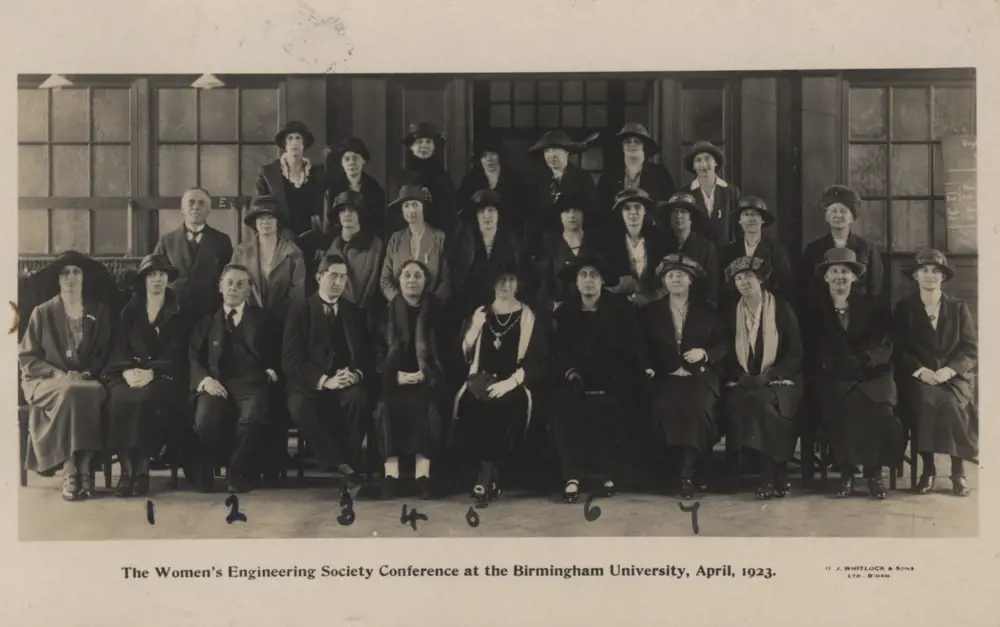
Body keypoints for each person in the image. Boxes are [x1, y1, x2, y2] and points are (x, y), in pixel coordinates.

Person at [803, 249, 902, 499]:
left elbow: (886, 342)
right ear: (825, 277)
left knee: (879, 410)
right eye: (834, 271)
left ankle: (873, 473)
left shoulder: (874, 306)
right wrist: (838, 365)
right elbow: (810, 346)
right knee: (843, 406)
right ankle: (846, 473)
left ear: (854, 277)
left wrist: (865, 360)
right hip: (834, 376)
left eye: (845, 271)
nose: (839, 276)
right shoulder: (813, 309)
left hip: (871, 373)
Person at [19, 251, 114, 501]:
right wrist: (57, 373)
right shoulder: (42, 312)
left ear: (84, 278)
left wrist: (86, 373)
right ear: (58, 279)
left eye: (76, 272)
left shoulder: (99, 311)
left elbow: (105, 353)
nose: (70, 278)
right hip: (45, 380)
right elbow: (27, 357)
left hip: (88, 379)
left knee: (87, 391)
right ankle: (74, 470)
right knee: (70, 392)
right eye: (65, 273)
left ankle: (83, 469)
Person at [552, 254, 646, 502]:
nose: (588, 281)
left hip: (612, 378)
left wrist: (613, 377)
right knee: (565, 404)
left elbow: (632, 349)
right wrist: (571, 373)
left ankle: (608, 473)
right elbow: (558, 351)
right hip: (576, 379)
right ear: (576, 281)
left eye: (594, 275)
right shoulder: (565, 312)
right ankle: (572, 476)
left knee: (611, 405)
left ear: (603, 281)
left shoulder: (621, 309)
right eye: (583, 275)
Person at [453, 262, 551, 503]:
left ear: (518, 284)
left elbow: (538, 360)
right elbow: (462, 355)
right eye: (500, 280)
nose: (505, 286)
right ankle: (489, 476)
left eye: (511, 280)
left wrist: (511, 382)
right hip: (480, 380)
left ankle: (486, 475)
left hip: (514, 382)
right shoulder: (480, 314)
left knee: (503, 405)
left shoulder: (528, 316)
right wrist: (474, 329)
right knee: (471, 404)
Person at [283, 254, 373, 494]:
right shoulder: (300, 310)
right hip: (308, 383)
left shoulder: (354, 312)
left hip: (345, 380)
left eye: (343, 277)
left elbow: (366, 354)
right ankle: (340, 464)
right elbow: (291, 360)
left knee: (358, 400)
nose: (338, 282)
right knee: (300, 407)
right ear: (319, 276)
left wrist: (356, 374)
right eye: (333, 275)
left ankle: (351, 465)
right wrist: (325, 381)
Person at [188, 264, 282, 494]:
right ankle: (211, 467)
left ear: (249, 290)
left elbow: (283, 351)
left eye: (241, 284)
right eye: (229, 283)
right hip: (216, 383)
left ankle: (237, 472)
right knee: (205, 421)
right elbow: (192, 357)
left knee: (252, 419)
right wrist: (205, 380)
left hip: (252, 382)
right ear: (220, 287)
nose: (234, 288)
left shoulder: (265, 320)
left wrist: (273, 371)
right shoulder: (207, 321)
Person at [104, 254, 191, 498]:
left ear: (168, 280)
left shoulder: (179, 311)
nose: (157, 280)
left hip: (164, 375)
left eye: (162, 275)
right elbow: (119, 346)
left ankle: (141, 470)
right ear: (143, 280)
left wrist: (153, 371)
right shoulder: (129, 310)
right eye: (151, 275)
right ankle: (125, 470)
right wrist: (127, 371)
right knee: (119, 400)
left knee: (146, 400)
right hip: (129, 373)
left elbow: (178, 351)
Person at [892, 249, 977, 497]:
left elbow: (970, 349)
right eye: (924, 271)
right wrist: (921, 372)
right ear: (915, 276)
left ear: (943, 277)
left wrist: (949, 371)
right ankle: (928, 470)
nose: (930, 276)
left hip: (952, 378)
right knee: (926, 402)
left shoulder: (958, 308)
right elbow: (899, 349)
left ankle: (958, 472)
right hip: (918, 378)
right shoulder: (905, 308)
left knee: (952, 404)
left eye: (935, 271)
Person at [643, 254, 727, 499]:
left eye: (680, 275)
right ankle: (672, 470)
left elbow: (723, 344)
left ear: (690, 280)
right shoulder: (652, 311)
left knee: (697, 407)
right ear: (663, 282)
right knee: (664, 406)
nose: (675, 280)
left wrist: (705, 353)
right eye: (670, 276)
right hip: (665, 375)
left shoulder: (707, 311)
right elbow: (642, 346)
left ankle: (688, 473)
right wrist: (650, 367)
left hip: (699, 375)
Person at [720, 256, 804, 500]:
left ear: (761, 280)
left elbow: (795, 351)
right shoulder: (730, 313)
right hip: (744, 380)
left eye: (749, 276)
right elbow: (724, 351)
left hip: (781, 377)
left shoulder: (781, 308)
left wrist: (771, 375)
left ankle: (771, 472)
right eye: (738, 278)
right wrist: (739, 375)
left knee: (765, 403)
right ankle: (774, 472)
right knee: (750, 401)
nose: (744, 282)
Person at [375, 260, 447, 500]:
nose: (412, 280)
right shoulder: (384, 313)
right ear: (399, 281)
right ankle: (391, 475)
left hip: (426, 378)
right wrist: (394, 376)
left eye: (418, 275)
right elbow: (375, 353)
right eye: (406, 275)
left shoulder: (436, 313)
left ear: (426, 282)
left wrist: (425, 374)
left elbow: (444, 353)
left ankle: (422, 475)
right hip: (392, 378)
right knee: (385, 406)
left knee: (427, 404)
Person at [153, 187, 234, 321]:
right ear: (182, 208)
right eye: (191, 202)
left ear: (209, 210)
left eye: (201, 203)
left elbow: (228, 277)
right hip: (175, 317)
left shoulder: (222, 241)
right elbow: (155, 278)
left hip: (210, 316)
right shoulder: (167, 241)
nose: (196, 207)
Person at [449, 189, 526, 321]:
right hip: (469, 307)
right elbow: (457, 279)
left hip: (503, 307)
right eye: (481, 211)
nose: (487, 215)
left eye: (491, 210)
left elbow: (518, 278)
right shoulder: (463, 242)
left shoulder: (511, 242)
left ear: (498, 214)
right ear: (475, 215)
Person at [801, 184, 884, 299]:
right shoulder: (814, 249)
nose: (838, 215)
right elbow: (807, 286)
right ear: (826, 216)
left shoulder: (867, 248)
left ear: (852, 217)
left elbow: (875, 287)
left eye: (843, 211)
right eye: (833, 211)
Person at [231, 195, 306, 321]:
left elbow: (297, 293)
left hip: (283, 320)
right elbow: (233, 284)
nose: (265, 222)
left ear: (278, 222)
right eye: (261, 218)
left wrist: (280, 316)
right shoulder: (241, 251)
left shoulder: (293, 252)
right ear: (255, 222)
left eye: (270, 217)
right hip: (248, 319)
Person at [526, 130, 600, 249]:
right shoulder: (539, 181)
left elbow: (592, 213)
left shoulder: (582, 178)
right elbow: (533, 217)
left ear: (567, 151)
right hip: (546, 245)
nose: (551, 155)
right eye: (547, 151)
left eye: (556, 149)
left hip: (575, 243)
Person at [380, 184, 451, 306]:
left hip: (431, 309)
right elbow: (385, 279)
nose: (411, 210)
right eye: (406, 206)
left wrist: (430, 303)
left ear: (423, 208)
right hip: (398, 309)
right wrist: (398, 301)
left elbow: (447, 279)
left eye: (415, 205)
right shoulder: (396, 239)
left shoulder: (439, 238)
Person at [535, 192, 605, 313]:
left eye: (576, 210)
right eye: (567, 211)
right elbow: (544, 284)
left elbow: (604, 278)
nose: (572, 215)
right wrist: (552, 306)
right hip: (561, 310)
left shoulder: (595, 242)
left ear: (583, 214)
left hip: (593, 308)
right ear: (560, 216)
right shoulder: (551, 244)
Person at [255, 120, 326, 237]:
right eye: (290, 138)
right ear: (285, 144)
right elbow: (261, 210)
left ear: (304, 143)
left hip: (312, 239)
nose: (294, 143)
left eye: (298, 138)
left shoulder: (318, 173)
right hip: (280, 237)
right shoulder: (267, 174)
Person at [597, 123, 675, 224]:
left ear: (645, 146)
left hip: (652, 234)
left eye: (637, 142)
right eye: (627, 142)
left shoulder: (660, 174)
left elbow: (667, 208)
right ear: (622, 146)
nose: (632, 145)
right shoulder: (609, 176)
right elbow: (602, 209)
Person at [720, 196, 794, 304]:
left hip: (769, 307)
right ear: (739, 221)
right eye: (746, 214)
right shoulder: (730, 251)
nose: (751, 219)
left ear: (763, 220)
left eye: (755, 214)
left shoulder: (776, 250)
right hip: (737, 309)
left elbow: (785, 284)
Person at [604, 188, 670, 309]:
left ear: (645, 210)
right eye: (627, 208)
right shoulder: (609, 243)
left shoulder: (660, 240)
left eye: (637, 207)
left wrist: (649, 297)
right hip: (619, 308)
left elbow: (667, 280)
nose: (632, 212)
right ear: (621, 212)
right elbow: (606, 283)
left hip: (655, 307)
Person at [456, 137, 530, 239]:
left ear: (500, 156)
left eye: (493, 154)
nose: (489, 159)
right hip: (478, 232)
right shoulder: (471, 179)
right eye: (484, 155)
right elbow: (463, 207)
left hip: (509, 232)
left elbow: (523, 210)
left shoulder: (514, 179)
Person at [660, 191, 720, 308]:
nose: (679, 216)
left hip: (698, 307)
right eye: (675, 212)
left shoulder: (706, 246)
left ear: (692, 217)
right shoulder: (661, 244)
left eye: (684, 212)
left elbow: (712, 285)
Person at [324, 136, 388, 240]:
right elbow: (328, 226)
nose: (351, 162)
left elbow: (380, 225)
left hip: (368, 245)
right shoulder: (332, 190)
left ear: (363, 161)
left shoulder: (375, 189)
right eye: (347, 159)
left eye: (356, 158)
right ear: (342, 163)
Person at [399, 122, 457, 235]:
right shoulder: (402, 177)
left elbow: (450, 213)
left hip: (438, 236)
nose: (424, 145)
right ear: (411, 147)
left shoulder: (443, 177)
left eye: (428, 142)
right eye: (419, 142)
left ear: (434, 147)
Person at [683, 141, 740, 249]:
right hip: (697, 256)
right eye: (698, 160)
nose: (704, 164)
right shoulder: (686, 193)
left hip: (725, 256)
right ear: (693, 166)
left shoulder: (731, 192)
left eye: (707, 159)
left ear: (716, 163)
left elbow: (738, 228)